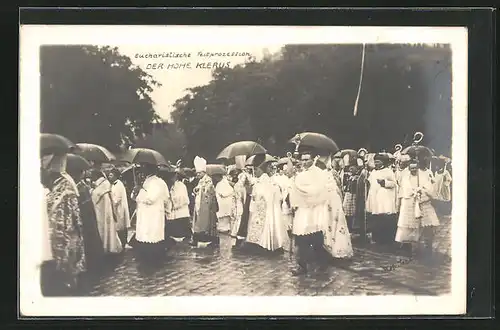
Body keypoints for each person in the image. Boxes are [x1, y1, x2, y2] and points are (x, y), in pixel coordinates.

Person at [40, 153, 86, 296]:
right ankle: (68, 282)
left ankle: (71, 284)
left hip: (66, 231)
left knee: (68, 261)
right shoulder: (61, 185)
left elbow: (75, 214)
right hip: (61, 231)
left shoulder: (63, 186)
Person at [289, 151, 332, 275]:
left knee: (316, 239)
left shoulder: (318, 174)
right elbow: (295, 190)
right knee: (301, 237)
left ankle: (323, 262)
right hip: (303, 209)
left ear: (313, 159)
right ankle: (301, 266)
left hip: (314, 210)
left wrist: (299, 188)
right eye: (302, 159)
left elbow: (317, 190)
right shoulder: (301, 174)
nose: (304, 162)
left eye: (307, 159)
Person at [395, 158, 440, 256]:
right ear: (409, 168)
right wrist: (412, 193)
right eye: (411, 168)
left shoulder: (424, 176)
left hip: (422, 202)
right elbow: (403, 191)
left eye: (415, 168)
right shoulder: (405, 178)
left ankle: (427, 246)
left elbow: (430, 189)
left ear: (418, 167)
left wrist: (421, 190)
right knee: (408, 226)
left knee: (426, 225)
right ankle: (407, 246)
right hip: (409, 203)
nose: (413, 170)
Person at [244, 154, 287, 253]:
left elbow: (265, 195)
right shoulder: (261, 181)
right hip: (260, 208)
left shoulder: (267, 181)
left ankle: (265, 244)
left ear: (261, 169)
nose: (255, 172)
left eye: (257, 169)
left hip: (266, 209)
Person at [66, 167, 104, 276]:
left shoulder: (81, 189)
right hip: (88, 219)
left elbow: (82, 208)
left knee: (89, 244)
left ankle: (93, 268)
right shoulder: (82, 187)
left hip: (87, 221)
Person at [131, 163, 170, 265]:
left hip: (153, 215)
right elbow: (135, 197)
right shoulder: (146, 182)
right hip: (145, 214)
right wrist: (136, 191)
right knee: (145, 235)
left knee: (151, 236)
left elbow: (150, 198)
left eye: (144, 168)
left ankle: (152, 258)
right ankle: (145, 256)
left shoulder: (157, 183)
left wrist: (140, 191)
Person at [89, 169, 123, 258]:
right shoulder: (105, 185)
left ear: (97, 177)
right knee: (108, 229)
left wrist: (91, 190)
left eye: (92, 176)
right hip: (106, 212)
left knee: (103, 229)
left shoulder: (101, 187)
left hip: (101, 212)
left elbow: (95, 197)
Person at [366, 153, 398, 245]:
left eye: (378, 162)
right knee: (376, 218)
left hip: (385, 198)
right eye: (375, 162)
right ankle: (377, 238)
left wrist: (384, 182)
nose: (376, 164)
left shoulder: (388, 171)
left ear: (383, 162)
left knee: (386, 218)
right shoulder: (373, 172)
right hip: (375, 197)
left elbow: (394, 184)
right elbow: (370, 182)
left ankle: (388, 239)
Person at [191, 156, 219, 248]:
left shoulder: (208, 180)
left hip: (206, 205)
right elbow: (197, 189)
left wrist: (201, 189)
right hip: (199, 203)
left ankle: (206, 239)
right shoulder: (200, 181)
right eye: (197, 173)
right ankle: (198, 238)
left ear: (203, 172)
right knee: (198, 221)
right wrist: (196, 189)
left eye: (199, 173)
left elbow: (209, 191)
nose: (197, 175)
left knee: (206, 222)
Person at [165, 169, 192, 243]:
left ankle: (185, 237)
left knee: (183, 225)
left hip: (181, 209)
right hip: (173, 210)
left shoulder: (181, 185)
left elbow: (183, 198)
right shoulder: (170, 185)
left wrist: (173, 199)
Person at [107, 167, 130, 250]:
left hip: (119, 209)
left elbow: (117, 199)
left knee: (120, 227)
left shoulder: (119, 185)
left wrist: (111, 203)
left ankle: (123, 244)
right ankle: (121, 243)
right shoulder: (113, 184)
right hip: (116, 208)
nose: (109, 176)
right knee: (119, 227)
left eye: (111, 175)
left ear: (115, 176)